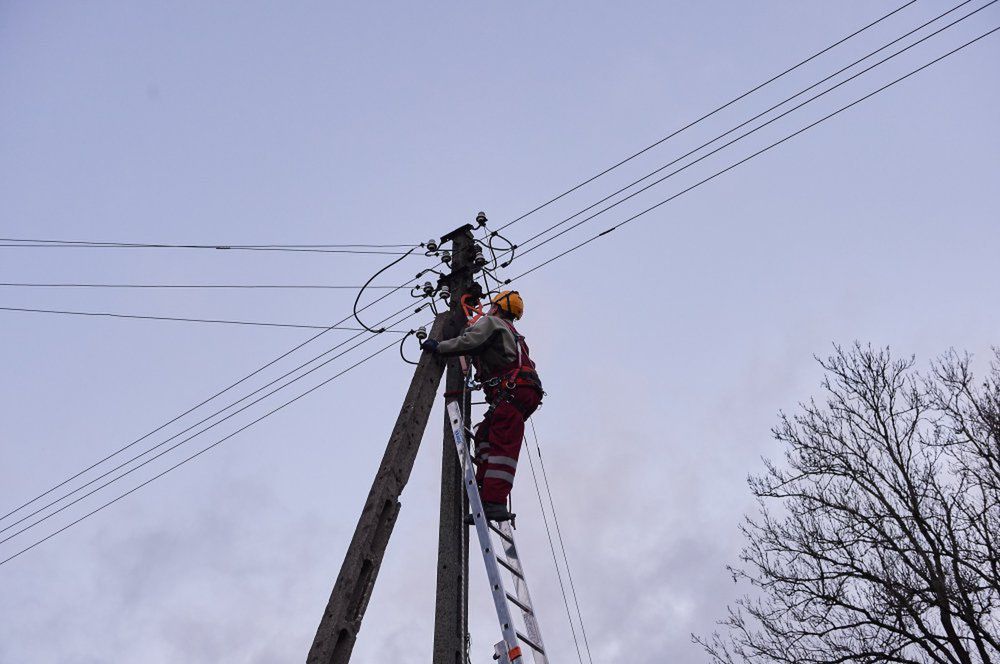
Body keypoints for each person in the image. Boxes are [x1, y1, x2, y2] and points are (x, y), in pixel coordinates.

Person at [422, 290, 543, 522]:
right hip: (523, 393)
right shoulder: (516, 336)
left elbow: (470, 342)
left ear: (495, 307)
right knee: (485, 434)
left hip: (511, 391)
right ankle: (486, 491)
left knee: (502, 445)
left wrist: (439, 346)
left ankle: (494, 502)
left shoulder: (491, 323)